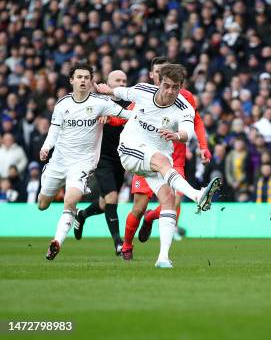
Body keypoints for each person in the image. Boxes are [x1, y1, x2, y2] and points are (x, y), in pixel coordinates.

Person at [94, 63, 219, 268]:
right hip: (130, 149)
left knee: (168, 199)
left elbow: (188, 132)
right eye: (167, 86)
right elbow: (119, 92)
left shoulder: (184, 106)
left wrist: (177, 135)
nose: (170, 91)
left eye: (175, 87)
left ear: (181, 87)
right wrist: (105, 90)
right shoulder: (143, 90)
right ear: (159, 82)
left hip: (158, 158)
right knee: (148, 188)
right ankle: (197, 195)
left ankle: (163, 258)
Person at [38, 62, 133, 261]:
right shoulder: (63, 104)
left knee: (70, 201)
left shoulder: (101, 104)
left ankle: (57, 242)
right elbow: (54, 131)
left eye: (86, 78)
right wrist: (46, 147)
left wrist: (150, 115)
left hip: (82, 164)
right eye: (79, 77)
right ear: (72, 80)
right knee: (42, 204)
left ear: (91, 82)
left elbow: (128, 115)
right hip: (58, 162)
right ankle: (48, 174)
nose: (83, 80)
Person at [132, 57, 214, 255]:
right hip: (145, 158)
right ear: (154, 77)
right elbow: (125, 116)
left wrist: (203, 146)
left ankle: (152, 218)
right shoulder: (143, 95)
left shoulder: (184, 97)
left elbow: (196, 122)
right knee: (139, 206)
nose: (161, 76)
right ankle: (126, 244)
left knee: (175, 201)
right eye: (158, 73)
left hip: (174, 160)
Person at [71, 70, 131, 255]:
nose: (121, 83)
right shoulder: (97, 103)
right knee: (112, 197)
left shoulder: (129, 104)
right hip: (101, 158)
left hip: (121, 159)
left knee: (106, 203)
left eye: (124, 80)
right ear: (107, 83)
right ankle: (118, 243)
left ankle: (82, 215)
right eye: (117, 80)